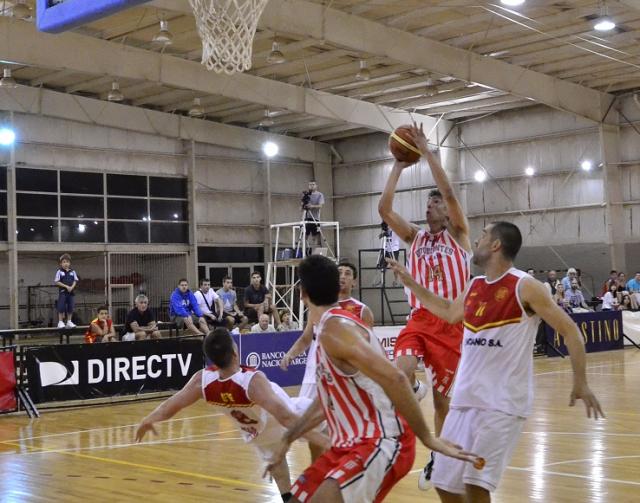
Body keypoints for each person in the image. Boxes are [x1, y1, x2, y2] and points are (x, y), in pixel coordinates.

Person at [388, 221, 604, 503]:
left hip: (502, 404)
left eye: (483, 235)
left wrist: (581, 381)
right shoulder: (474, 285)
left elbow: (571, 331)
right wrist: (411, 283)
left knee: (475, 484)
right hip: (465, 402)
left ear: (496, 244)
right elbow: (448, 312)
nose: (476, 240)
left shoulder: (526, 287)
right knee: (444, 481)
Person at [265, 255, 480, 503]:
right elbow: (327, 400)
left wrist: (428, 438)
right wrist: (287, 438)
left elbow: (396, 378)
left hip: (380, 440)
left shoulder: (336, 330)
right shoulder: (326, 327)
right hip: (347, 444)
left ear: (302, 293)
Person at [378, 122, 472, 489]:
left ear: (447, 213)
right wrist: (398, 166)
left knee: (442, 403)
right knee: (399, 373)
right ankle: (411, 388)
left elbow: (448, 190)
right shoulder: (415, 238)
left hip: (451, 324)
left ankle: (438, 455)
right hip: (419, 319)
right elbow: (384, 208)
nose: (430, 206)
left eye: (436, 203)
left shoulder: (459, 236)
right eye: (428, 203)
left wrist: (428, 152)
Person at [135, 327, 330, 502]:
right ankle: (325, 472)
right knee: (324, 411)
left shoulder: (202, 382)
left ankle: (288, 497)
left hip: (257, 434)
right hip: (281, 416)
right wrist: (323, 440)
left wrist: (148, 419)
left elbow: (171, 405)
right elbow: (286, 417)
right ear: (235, 352)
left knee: (277, 467)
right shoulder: (252, 382)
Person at [54, 253, 79, 329]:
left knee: (70, 307)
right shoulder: (59, 271)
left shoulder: (73, 271)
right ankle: (60, 322)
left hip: (71, 292)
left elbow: (75, 280)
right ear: (61, 264)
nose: (66, 263)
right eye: (64, 262)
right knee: (61, 307)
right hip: (63, 292)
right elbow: (57, 281)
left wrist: (71, 287)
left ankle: (69, 321)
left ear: (70, 263)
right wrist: (66, 286)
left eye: (67, 262)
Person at [302, 180, 325, 250]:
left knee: (314, 236)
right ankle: (305, 250)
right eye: (310, 185)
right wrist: (304, 206)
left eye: (313, 184)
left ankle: (314, 251)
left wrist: (312, 206)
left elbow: (320, 206)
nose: (311, 186)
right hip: (306, 218)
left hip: (315, 218)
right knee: (305, 235)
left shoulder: (320, 195)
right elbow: (302, 206)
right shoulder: (306, 195)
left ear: (316, 186)